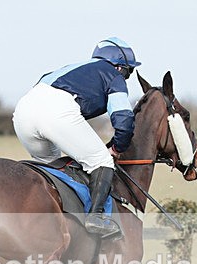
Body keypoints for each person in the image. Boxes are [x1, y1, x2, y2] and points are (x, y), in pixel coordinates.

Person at [13, 37, 141, 238]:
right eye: (128, 71)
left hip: (22, 112)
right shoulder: (112, 75)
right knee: (101, 160)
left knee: (53, 169)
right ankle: (95, 218)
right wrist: (117, 147)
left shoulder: (73, 68)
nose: (127, 77)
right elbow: (123, 119)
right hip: (56, 111)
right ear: (119, 67)